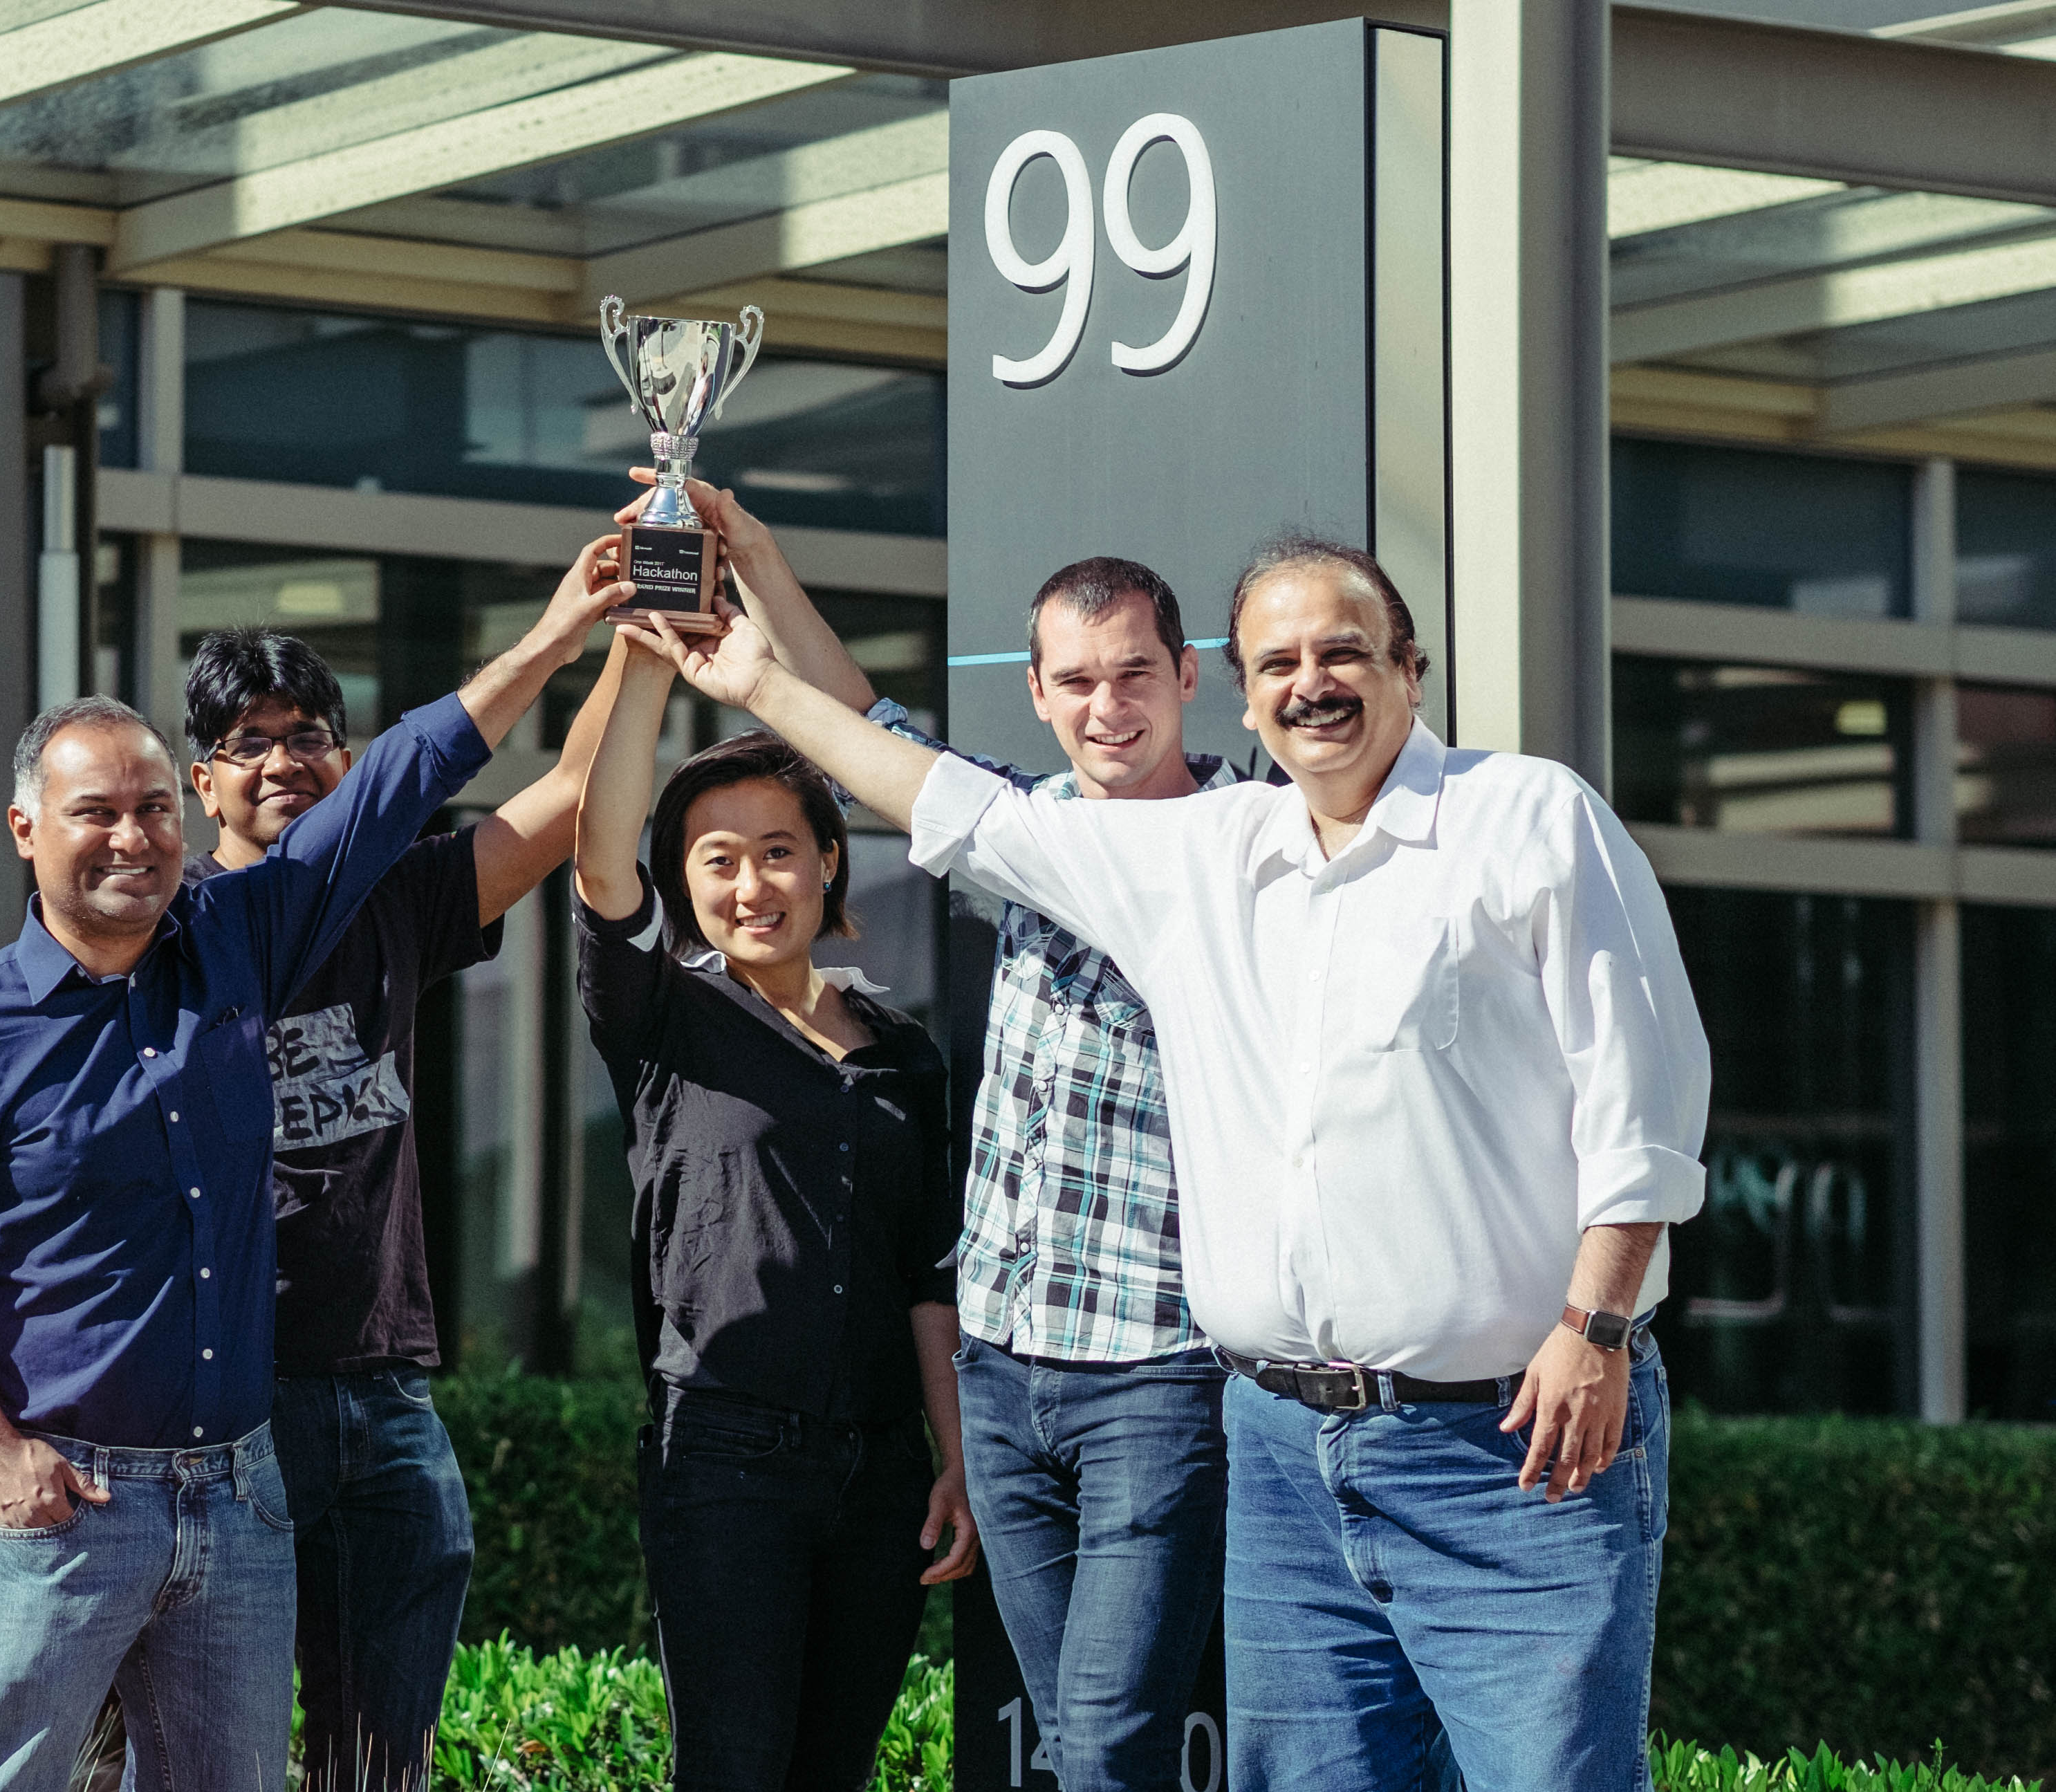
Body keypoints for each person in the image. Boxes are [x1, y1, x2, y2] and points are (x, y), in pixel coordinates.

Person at [627, 533, 1712, 1792]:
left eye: (1343, 652)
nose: (1311, 683)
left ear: (1410, 669)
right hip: (1274, 1447)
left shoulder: (1523, 816)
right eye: (1281, 661)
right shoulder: (1207, 855)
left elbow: (1646, 1089)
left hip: (1500, 1449)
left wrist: (1597, 1319)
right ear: (1245, 687)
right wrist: (755, 675)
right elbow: (935, 792)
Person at [0, 539, 618, 1792]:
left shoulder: (234, 941)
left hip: (239, 1493)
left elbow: (397, 783)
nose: (132, 840)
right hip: (69, 1505)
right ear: (26, 829)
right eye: (97, 813)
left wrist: (562, 632)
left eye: (150, 809)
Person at [613, 474, 1234, 1791]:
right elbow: (870, 733)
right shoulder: (1025, 827)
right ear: (1039, 692)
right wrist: (761, 557)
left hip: (1156, 1363)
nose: (1106, 707)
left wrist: (757, 677)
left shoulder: (1244, 846)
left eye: (1134, 676)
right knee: (1072, 1744)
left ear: (1189, 676)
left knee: (1116, 1737)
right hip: (1011, 1369)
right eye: (1075, 682)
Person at [180, 616, 627, 1789]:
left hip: (384, 1399)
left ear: (350, 758)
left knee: (381, 1764)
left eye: (312, 736)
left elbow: (579, 793)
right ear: (203, 783)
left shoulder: (401, 899)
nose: (284, 761)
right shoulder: (177, 933)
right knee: (204, 1754)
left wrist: (641, 636)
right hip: (229, 1408)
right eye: (248, 742)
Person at [570, 621, 978, 1792]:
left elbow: (923, 1274)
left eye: (779, 852)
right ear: (683, 881)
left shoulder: (903, 1055)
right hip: (724, 1454)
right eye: (717, 860)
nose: (752, 886)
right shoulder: (662, 1015)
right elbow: (602, 860)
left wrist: (950, 1460)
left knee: (830, 1774)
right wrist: (647, 657)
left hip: (881, 1470)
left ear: (829, 863)